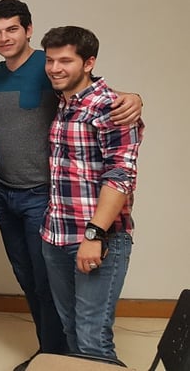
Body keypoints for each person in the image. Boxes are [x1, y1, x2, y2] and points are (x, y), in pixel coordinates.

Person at [0, 0, 143, 370]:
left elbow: (120, 168)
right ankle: (54, 357)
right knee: (50, 300)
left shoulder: (87, 93)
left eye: (12, 29)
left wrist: (135, 99)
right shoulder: (52, 97)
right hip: (37, 212)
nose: (55, 68)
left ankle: (63, 357)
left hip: (67, 214)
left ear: (28, 30)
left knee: (90, 332)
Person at [39, 26, 143, 363]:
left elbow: (120, 175)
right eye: (51, 60)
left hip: (98, 238)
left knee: (92, 338)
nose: (55, 67)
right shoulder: (65, 103)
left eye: (65, 60)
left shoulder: (111, 108)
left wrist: (94, 234)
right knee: (72, 330)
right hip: (56, 234)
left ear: (89, 62)